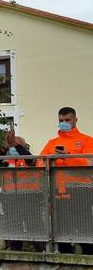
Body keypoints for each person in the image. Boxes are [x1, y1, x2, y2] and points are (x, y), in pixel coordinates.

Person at [39, 107, 93, 253]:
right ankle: (65, 256)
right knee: (62, 227)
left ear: (75, 120)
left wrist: (67, 156)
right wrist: (52, 160)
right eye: (61, 120)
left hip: (82, 190)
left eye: (67, 120)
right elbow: (40, 163)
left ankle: (89, 257)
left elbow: (89, 163)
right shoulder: (52, 143)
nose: (64, 123)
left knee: (84, 225)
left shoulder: (87, 140)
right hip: (60, 190)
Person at [0, 130, 44, 251]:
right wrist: (5, 148)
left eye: (16, 145)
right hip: (10, 200)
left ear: (23, 146)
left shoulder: (30, 160)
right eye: (12, 144)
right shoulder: (7, 161)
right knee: (13, 227)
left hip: (30, 199)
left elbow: (31, 161)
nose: (13, 147)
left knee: (34, 227)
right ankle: (15, 251)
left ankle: (41, 251)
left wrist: (16, 145)